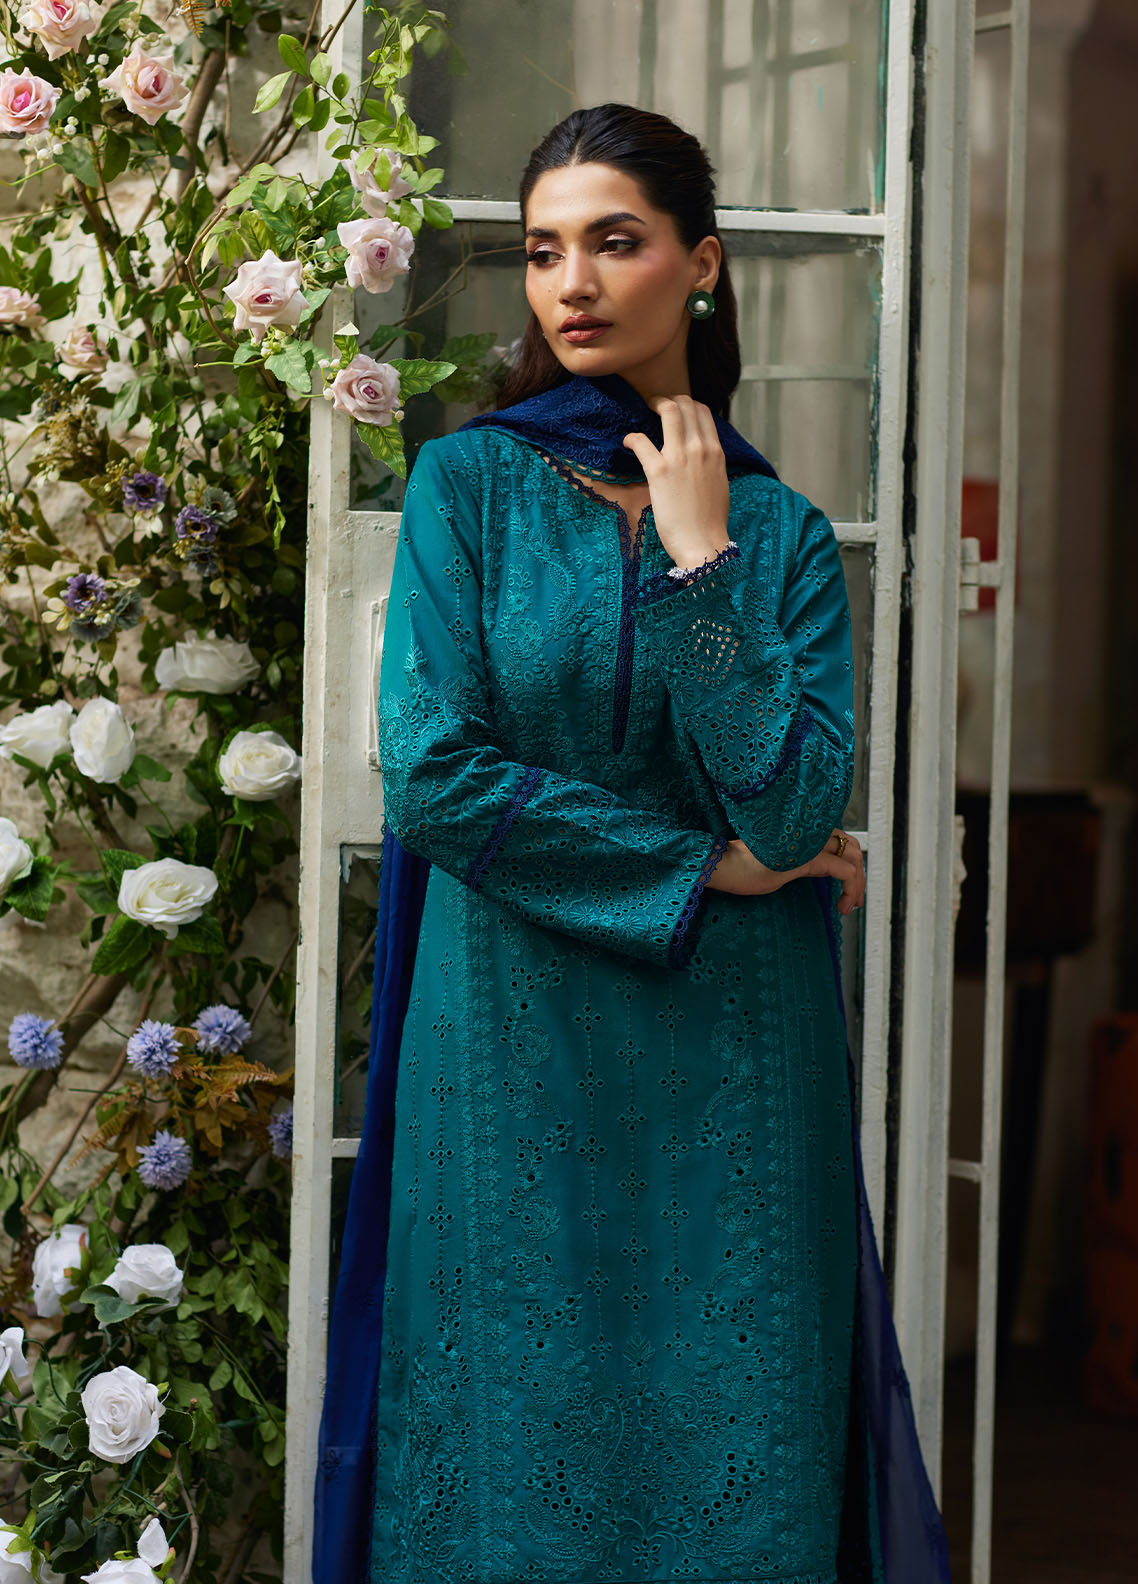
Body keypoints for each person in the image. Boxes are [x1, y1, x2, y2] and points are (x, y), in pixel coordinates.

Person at [315, 103, 950, 1584]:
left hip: (733, 1070)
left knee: (736, 1451)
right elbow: (433, 777)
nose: (573, 284)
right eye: (545, 252)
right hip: (509, 1046)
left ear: (701, 265)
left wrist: (699, 555)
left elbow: (791, 806)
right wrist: (701, 867)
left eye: (615, 242)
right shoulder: (468, 491)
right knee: (510, 1447)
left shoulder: (779, 536)